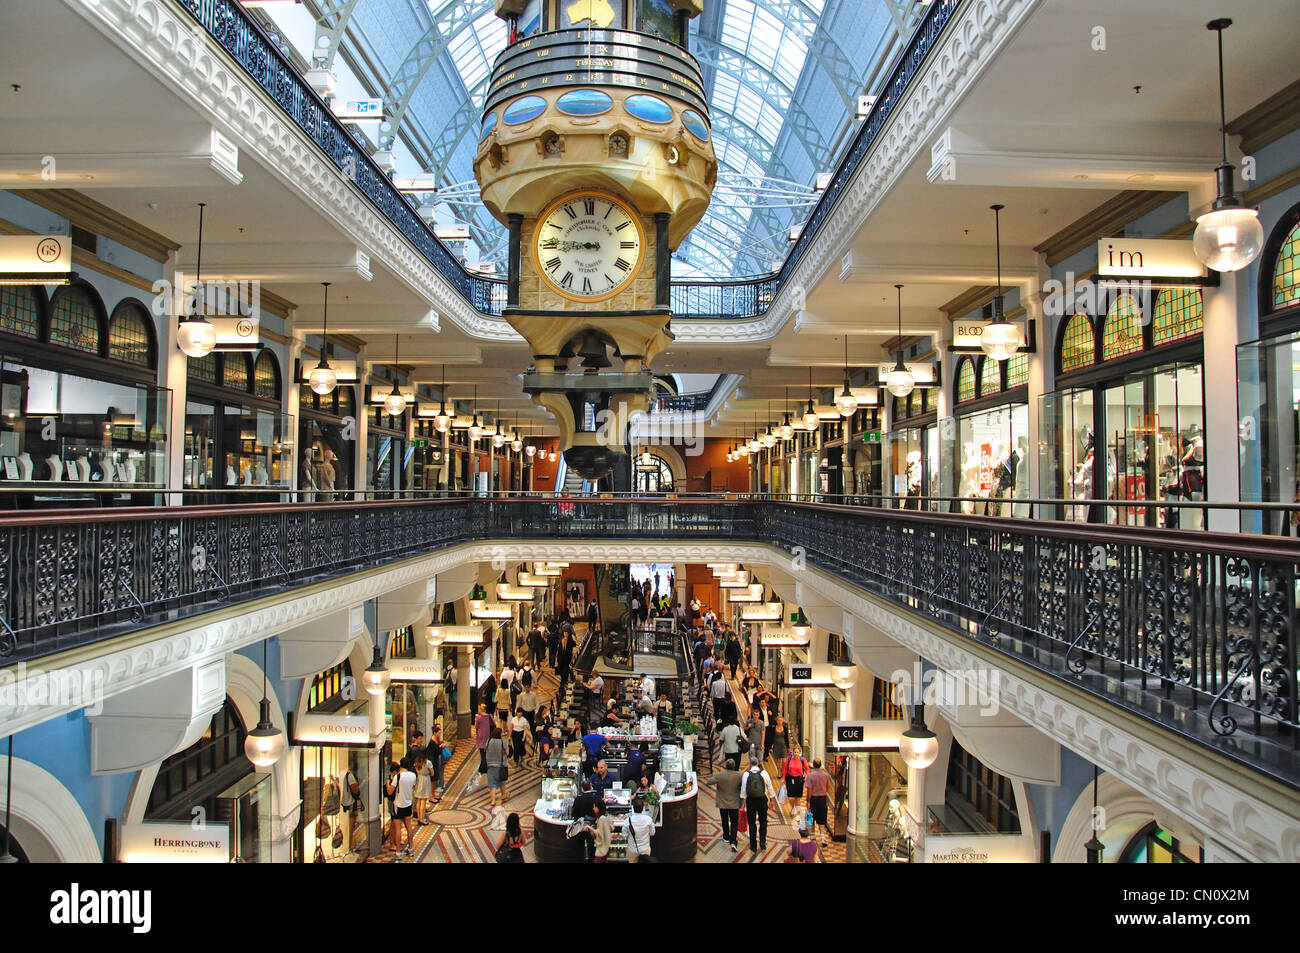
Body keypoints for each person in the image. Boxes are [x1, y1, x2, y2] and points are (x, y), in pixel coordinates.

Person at [741, 753, 776, 853]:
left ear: (750, 764)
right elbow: (770, 787)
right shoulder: (764, 773)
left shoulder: (746, 774)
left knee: (751, 822)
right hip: (762, 800)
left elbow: (743, 790)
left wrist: (743, 803)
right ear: (758, 763)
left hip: (750, 800)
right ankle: (763, 842)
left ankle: (753, 845)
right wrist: (772, 800)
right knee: (763, 821)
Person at [387, 757, 417, 858]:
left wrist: (388, 783)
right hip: (408, 804)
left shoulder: (398, 777)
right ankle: (411, 848)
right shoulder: (413, 776)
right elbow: (413, 787)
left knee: (398, 828)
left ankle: (398, 852)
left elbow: (390, 791)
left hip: (398, 805)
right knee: (409, 827)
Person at [805, 759, 834, 846]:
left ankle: (813, 837)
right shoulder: (825, 775)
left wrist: (808, 801)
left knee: (812, 818)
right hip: (822, 799)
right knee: (822, 819)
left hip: (813, 799)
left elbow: (809, 790)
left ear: (813, 765)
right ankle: (822, 838)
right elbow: (827, 787)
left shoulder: (810, 776)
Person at [716, 758, 742, 852]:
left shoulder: (720, 775)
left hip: (722, 803)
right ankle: (733, 841)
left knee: (724, 819)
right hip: (734, 803)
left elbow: (709, 781)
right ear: (734, 766)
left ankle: (726, 836)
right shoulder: (739, 775)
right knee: (734, 822)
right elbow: (743, 785)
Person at [485, 726, 509, 809]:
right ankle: (503, 795)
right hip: (500, 765)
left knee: (492, 784)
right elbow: (507, 752)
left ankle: (493, 800)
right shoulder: (502, 742)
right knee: (502, 781)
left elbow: (485, 750)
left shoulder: (488, 741)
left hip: (490, 765)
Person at [626, 796, 654, 863]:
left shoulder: (627, 821)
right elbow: (652, 833)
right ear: (643, 808)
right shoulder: (648, 820)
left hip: (632, 849)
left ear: (633, 808)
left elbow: (624, 835)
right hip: (645, 849)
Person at [783, 743, 809, 814]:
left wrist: (807, 776)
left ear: (799, 753)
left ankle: (797, 811)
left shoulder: (802, 760)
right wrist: (783, 778)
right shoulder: (789, 759)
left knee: (797, 797)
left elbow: (807, 769)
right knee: (790, 797)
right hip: (790, 778)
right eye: (795, 752)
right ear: (793, 752)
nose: (796, 753)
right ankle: (793, 807)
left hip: (799, 780)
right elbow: (785, 768)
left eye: (797, 752)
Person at [412, 751, 433, 825]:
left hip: (419, 779)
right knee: (423, 801)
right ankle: (422, 819)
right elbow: (432, 773)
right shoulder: (428, 763)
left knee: (419, 800)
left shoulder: (417, 762)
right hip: (425, 780)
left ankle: (418, 817)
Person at [474, 703, 493, 782]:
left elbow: (476, 726)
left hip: (481, 736)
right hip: (488, 735)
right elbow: (493, 724)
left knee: (482, 753)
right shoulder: (489, 716)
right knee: (486, 752)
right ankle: (483, 767)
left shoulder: (478, 718)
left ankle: (483, 768)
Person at [428, 722, 446, 796]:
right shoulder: (432, 742)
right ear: (435, 733)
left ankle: (433, 794)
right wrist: (441, 747)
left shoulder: (435, 741)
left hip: (435, 761)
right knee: (433, 778)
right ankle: (432, 794)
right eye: (439, 733)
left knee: (435, 776)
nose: (439, 734)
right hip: (433, 761)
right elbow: (435, 751)